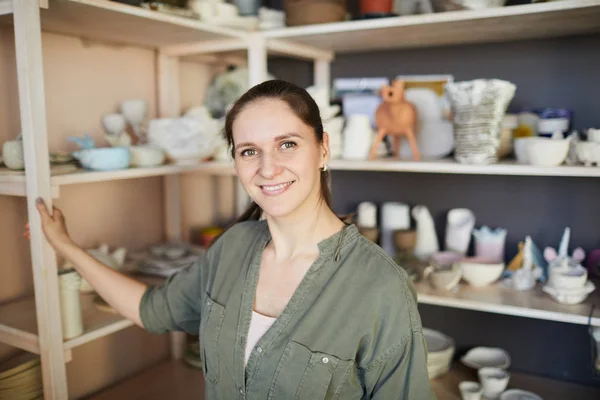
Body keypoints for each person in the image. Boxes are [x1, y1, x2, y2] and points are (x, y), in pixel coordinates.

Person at [28, 80, 435, 399]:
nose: (268, 168)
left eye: (287, 145)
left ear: (323, 149)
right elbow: (151, 310)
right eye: (249, 151)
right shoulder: (233, 247)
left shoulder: (380, 287)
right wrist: (66, 246)